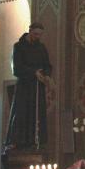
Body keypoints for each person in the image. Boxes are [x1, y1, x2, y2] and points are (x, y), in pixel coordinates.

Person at [5, 22, 53, 150]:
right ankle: (17, 142)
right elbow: (17, 69)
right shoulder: (18, 47)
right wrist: (33, 73)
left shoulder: (41, 48)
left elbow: (47, 65)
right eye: (36, 34)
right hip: (24, 87)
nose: (38, 37)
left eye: (40, 35)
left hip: (37, 88)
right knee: (22, 113)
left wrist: (47, 75)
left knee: (37, 114)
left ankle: (35, 141)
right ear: (30, 31)